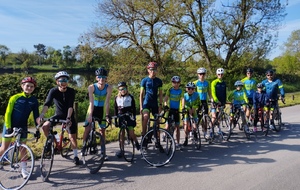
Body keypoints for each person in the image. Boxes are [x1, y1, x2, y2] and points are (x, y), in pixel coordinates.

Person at [0, 77, 39, 178]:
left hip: (23, 126)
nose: (29, 88)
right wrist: (8, 126)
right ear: (22, 86)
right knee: (4, 148)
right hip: (10, 125)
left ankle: (24, 170)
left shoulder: (34, 101)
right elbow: (7, 113)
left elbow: (36, 116)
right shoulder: (15, 97)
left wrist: (38, 128)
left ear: (34, 88)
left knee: (23, 149)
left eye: (32, 86)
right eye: (27, 85)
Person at [39, 71, 80, 165]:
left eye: (65, 80)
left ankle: (76, 156)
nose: (63, 82)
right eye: (61, 80)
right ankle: (53, 142)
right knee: (45, 126)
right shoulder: (53, 91)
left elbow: (70, 106)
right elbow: (47, 104)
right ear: (57, 82)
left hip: (69, 115)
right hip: (58, 114)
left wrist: (69, 118)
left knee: (72, 137)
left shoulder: (71, 91)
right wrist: (42, 115)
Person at [81, 67, 112, 160]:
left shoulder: (109, 87)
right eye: (99, 77)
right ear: (96, 78)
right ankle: (83, 147)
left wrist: (107, 115)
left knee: (102, 131)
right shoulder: (91, 87)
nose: (101, 79)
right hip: (93, 108)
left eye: (103, 77)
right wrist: (90, 115)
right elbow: (91, 102)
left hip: (101, 109)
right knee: (87, 128)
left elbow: (107, 102)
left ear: (106, 78)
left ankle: (103, 151)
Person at [139, 62, 163, 147]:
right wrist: (141, 106)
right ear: (148, 70)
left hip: (155, 103)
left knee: (157, 121)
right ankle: (143, 136)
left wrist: (160, 105)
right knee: (145, 118)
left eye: (155, 70)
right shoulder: (144, 80)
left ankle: (157, 140)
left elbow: (160, 94)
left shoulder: (159, 81)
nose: (153, 71)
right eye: (151, 70)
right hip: (146, 103)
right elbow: (141, 94)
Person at [114, 82, 140, 158]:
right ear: (118, 90)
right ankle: (122, 150)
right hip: (121, 117)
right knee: (122, 134)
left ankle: (136, 143)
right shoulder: (116, 98)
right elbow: (115, 109)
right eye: (121, 89)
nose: (123, 90)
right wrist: (116, 120)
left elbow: (134, 108)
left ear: (126, 89)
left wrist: (134, 117)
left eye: (124, 88)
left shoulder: (130, 97)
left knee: (131, 132)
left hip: (129, 116)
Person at [163, 76, 184, 150]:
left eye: (178, 82)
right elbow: (165, 98)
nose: (176, 84)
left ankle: (177, 143)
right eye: (174, 82)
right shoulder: (170, 90)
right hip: (170, 110)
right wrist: (165, 105)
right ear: (172, 83)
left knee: (177, 127)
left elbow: (182, 99)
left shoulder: (181, 91)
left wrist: (183, 107)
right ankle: (165, 134)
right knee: (167, 125)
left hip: (176, 110)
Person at [193, 67, 211, 140]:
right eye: (200, 74)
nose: (202, 75)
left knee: (205, 118)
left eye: (203, 74)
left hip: (204, 101)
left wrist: (212, 100)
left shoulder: (207, 83)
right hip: (197, 102)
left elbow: (209, 93)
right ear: (198, 75)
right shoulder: (195, 83)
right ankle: (195, 131)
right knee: (197, 118)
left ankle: (205, 132)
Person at [182, 82, 200, 146]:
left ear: (194, 89)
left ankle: (195, 134)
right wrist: (188, 108)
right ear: (186, 89)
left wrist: (194, 107)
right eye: (189, 88)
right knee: (186, 125)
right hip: (187, 111)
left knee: (195, 125)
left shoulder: (197, 95)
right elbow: (183, 105)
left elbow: (198, 103)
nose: (190, 90)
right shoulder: (184, 95)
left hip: (194, 110)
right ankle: (186, 139)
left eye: (192, 89)